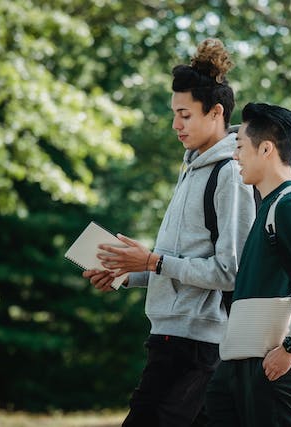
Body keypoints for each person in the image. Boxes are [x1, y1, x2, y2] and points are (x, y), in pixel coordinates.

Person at [82, 39, 257, 427]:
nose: (175, 125)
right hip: (172, 337)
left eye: (184, 115)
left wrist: (152, 261)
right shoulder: (193, 167)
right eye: (173, 114)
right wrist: (127, 273)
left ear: (215, 113)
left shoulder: (229, 174)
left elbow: (230, 272)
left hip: (196, 345)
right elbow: (179, 267)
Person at [205, 102, 291, 427]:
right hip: (240, 364)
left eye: (239, 146)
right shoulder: (268, 206)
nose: (235, 156)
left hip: (273, 368)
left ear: (265, 148)